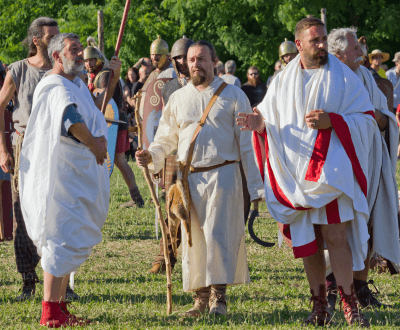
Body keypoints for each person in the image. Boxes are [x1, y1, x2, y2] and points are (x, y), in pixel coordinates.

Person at [237, 17, 376, 327]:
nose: (322, 44)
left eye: (323, 38)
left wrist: (334, 121)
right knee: (308, 240)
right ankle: (319, 305)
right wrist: (258, 125)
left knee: (336, 234)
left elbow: (367, 119)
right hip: (296, 172)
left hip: (331, 171)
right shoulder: (282, 81)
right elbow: (271, 121)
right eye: (315, 40)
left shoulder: (343, 77)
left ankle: (349, 303)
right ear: (298, 44)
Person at [136, 40, 264, 317]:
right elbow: (166, 137)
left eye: (201, 59)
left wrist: (255, 187)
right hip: (189, 178)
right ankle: (199, 300)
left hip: (224, 175)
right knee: (193, 240)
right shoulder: (179, 98)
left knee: (219, 236)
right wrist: (151, 156)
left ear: (214, 61)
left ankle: (219, 298)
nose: (195, 64)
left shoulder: (233, 95)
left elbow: (247, 143)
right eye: (191, 59)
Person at [20, 32, 121, 327]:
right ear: (56, 56)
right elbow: (71, 120)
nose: (79, 53)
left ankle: (60, 307)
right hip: (61, 179)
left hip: (76, 176)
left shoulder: (74, 83)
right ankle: (50, 312)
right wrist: (94, 144)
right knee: (59, 239)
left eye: (79, 49)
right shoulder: (54, 87)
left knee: (69, 238)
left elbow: (94, 113)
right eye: (73, 49)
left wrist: (112, 78)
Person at [0, 16, 77, 302]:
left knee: (60, 215)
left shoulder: (64, 71)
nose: (56, 41)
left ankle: (62, 284)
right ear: (36, 40)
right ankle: (28, 281)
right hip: (26, 149)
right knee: (24, 214)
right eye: (50, 37)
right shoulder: (18, 70)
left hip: (59, 148)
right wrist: (4, 149)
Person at [326, 27, 399, 310]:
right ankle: (333, 286)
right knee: (339, 226)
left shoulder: (367, 77)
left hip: (370, 161)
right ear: (338, 52)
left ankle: (360, 285)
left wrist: (381, 119)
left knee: (368, 224)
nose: (362, 52)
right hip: (340, 163)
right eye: (356, 48)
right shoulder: (328, 80)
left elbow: (384, 118)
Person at [148, 36, 194, 274]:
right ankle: (165, 256)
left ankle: (191, 255)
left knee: (194, 206)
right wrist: (157, 160)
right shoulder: (169, 87)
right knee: (171, 206)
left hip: (197, 155)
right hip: (173, 154)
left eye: (184, 57)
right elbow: (163, 126)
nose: (181, 62)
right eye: (177, 58)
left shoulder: (203, 84)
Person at [83, 45, 144, 208]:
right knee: (119, 161)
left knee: (115, 161)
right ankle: (136, 197)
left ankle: (134, 197)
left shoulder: (104, 76)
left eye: (91, 60)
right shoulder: (97, 76)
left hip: (113, 124)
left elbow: (104, 102)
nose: (88, 64)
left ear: (98, 60)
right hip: (114, 123)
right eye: (86, 61)